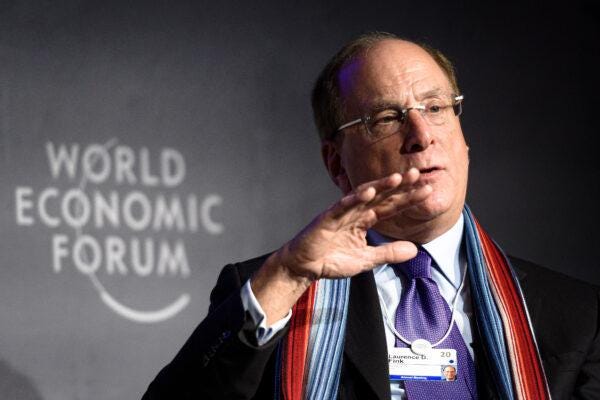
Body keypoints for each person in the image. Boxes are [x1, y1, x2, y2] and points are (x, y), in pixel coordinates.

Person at [142, 32, 600, 400]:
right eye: (386, 118)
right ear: (336, 163)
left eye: (437, 108)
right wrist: (285, 277)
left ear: (463, 140)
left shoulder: (578, 314)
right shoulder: (272, 292)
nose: (422, 135)